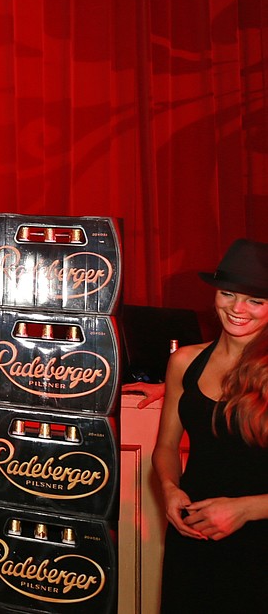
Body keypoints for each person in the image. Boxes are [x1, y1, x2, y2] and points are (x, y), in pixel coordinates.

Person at [154, 238, 268, 614]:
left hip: (260, 542)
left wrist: (246, 509)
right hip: (194, 536)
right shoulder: (185, 362)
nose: (237, 308)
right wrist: (170, 490)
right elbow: (166, 446)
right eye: (228, 293)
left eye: (255, 300)